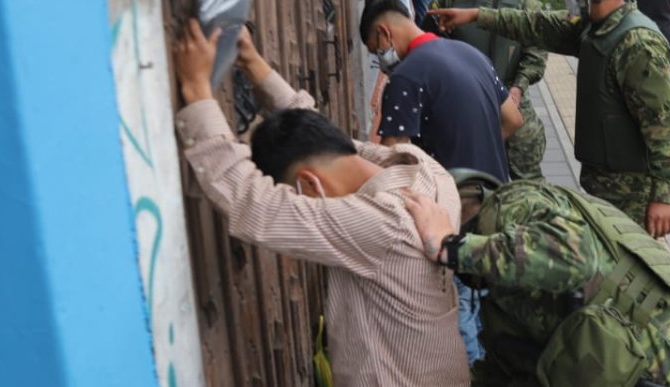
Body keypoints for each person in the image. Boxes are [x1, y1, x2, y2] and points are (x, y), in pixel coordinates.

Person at [171, 21, 468, 386]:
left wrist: (198, 90)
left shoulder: (382, 223)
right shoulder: (419, 167)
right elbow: (335, 140)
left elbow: (254, 204)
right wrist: (251, 62)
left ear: (307, 185)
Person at [430, 0, 670, 238]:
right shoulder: (595, 28)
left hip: (631, 193)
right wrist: (476, 15)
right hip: (602, 182)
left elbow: (668, 127)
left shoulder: (636, 43)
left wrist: (663, 198)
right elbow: (537, 26)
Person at [401, 169, 670, 387]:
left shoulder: (512, 207)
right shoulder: (501, 271)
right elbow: (509, 367)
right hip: (631, 360)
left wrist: (453, 247)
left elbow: (574, 255)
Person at [359, 0, 523, 365]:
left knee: (461, 314)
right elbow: (514, 120)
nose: (381, 60)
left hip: (454, 219)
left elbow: (392, 159)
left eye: (376, 50)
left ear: (385, 33)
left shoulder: (406, 76)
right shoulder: (469, 53)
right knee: (492, 313)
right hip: (500, 204)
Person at [428, 0, 549, 181]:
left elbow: (536, 51)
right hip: (466, 103)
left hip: (512, 98)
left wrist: (519, 85)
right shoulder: (449, 2)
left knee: (526, 175)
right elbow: (432, 50)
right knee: (470, 177)